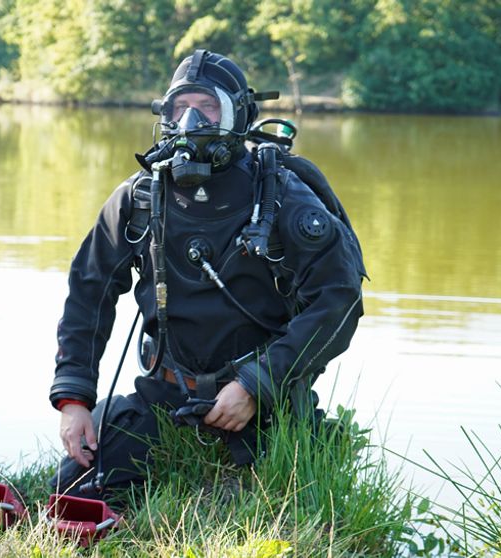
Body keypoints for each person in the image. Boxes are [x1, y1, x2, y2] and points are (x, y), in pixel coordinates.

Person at [48, 49, 366, 498]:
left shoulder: (281, 197)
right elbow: (89, 291)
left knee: (291, 502)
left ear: (240, 115)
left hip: (266, 404)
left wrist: (257, 384)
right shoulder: (141, 198)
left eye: (208, 107)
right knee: (72, 494)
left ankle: (300, 444)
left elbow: (339, 300)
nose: (191, 120)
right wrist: (74, 399)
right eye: (180, 107)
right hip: (164, 396)